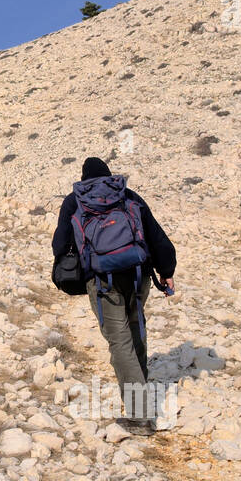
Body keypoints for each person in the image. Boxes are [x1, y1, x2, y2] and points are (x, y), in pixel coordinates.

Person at [52, 157, 176, 435]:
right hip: (138, 274)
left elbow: (60, 245)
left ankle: (140, 415)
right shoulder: (127, 195)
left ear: (83, 179)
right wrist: (166, 270)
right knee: (135, 331)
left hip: (102, 281)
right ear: (109, 176)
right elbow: (156, 236)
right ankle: (140, 393)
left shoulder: (75, 201)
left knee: (119, 342)